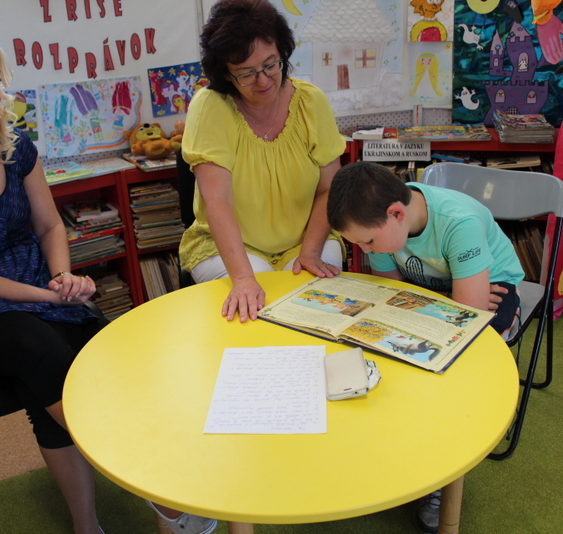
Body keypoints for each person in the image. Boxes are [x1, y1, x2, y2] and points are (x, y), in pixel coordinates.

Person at [0, 26, 215, 534]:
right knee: (35, 347)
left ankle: (88, 524)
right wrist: (47, 293)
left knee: (88, 350)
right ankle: (158, 485)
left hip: (30, 285)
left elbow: (49, 226)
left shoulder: (15, 145)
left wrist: (62, 276)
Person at [327, 161, 523, 534]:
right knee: (383, 340)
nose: (363, 251)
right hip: (434, 289)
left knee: (458, 359)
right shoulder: (383, 226)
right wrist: (441, 303)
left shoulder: (459, 222)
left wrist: (441, 304)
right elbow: (391, 294)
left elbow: (469, 315)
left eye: (367, 243)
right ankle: (392, 435)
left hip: (493, 288)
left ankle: (440, 469)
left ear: (396, 214)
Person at [179, 0, 348, 322]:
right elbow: (217, 201)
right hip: (229, 247)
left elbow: (329, 189)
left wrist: (310, 250)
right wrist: (243, 278)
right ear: (225, 73)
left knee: (314, 310)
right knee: (256, 309)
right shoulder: (210, 106)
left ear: (282, 52)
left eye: (271, 65)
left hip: (307, 238)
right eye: (246, 73)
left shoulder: (311, 101)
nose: (263, 80)